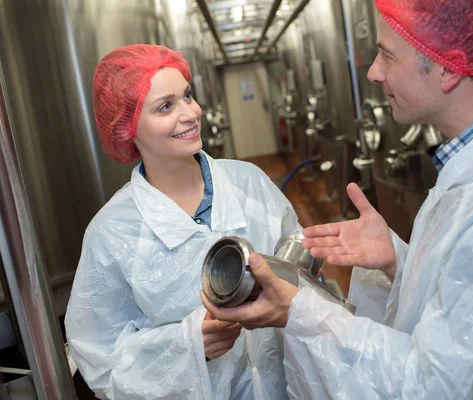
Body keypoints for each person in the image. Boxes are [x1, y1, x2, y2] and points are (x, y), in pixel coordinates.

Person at [201, 0, 473, 398]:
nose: (373, 72)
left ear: (448, 68)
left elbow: (438, 386)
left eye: (388, 56)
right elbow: (468, 303)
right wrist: (397, 261)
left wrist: (302, 313)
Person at [65, 44, 300, 399]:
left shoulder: (248, 183)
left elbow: (297, 268)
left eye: (187, 96)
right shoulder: (112, 232)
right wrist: (187, 346)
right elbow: (99, 358)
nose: (191, 113)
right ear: (126, 128)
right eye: (166, 106)